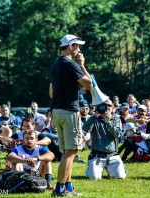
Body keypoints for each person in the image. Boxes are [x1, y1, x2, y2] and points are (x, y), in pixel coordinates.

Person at [49, 34, 92, 196]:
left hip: (57, 111)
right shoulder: (71, 64)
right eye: (77, 46)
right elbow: (89, 84)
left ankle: (68, 187)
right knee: (71, 151)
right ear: (70, 46)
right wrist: (82, 65)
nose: (79, 49)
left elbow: (51, 92)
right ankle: (59, 189)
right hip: (69, 111)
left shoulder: (55, 65)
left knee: (67, 151)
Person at [83, 99, 126, 179]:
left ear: (113, 107)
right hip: (97, 156)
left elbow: (117, 134)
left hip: (113, 155)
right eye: (104, 105)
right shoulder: (94, 119)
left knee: (120, 177)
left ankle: (117, 168)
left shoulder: (117, 119)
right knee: (94, 177)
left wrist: (108, 122)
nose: (106, 108)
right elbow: (85, 129)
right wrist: (95, 116)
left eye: (109, 105)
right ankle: (91, 168)